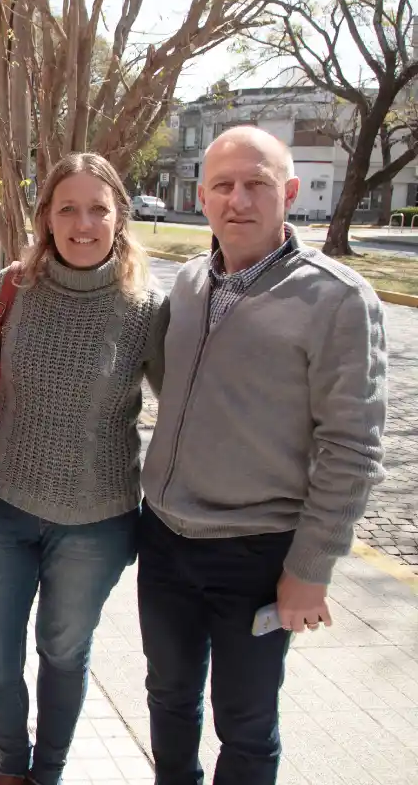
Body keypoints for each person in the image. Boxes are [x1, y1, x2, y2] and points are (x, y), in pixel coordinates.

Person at [138, 126, 387, 785]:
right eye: (223, 185)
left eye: (257, 184)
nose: (238, 199)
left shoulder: (337, 299)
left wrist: (311, 568)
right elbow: (174, 383)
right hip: (164, 541)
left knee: (244, 723)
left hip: (256, 554)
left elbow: (353, 443)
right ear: (203, 196)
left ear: (291, 193)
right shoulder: (189, 283)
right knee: (167, 697)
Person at [0, 153, 168, 785]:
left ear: (119, 217)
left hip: (95, 523)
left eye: (98, 209)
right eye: (68, 208)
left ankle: (45, 773)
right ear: (47, 218)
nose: (84, 223)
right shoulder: (13, 286)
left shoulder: (148, 307)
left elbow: (187, 408)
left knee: (63, 652)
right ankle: (10, 762)